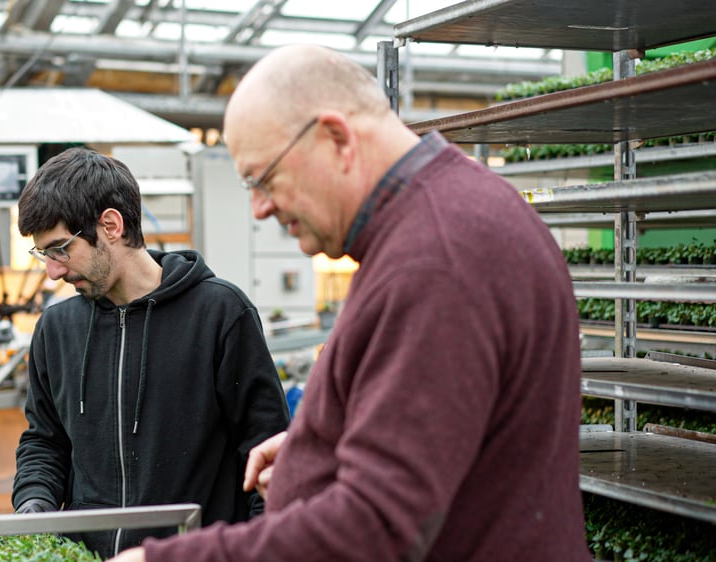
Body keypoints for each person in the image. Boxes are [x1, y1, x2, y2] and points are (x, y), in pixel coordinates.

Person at [110, 44, 590, 562]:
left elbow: (376, 529)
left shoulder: (435, 261)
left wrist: (161, 559)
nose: (260, 207)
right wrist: (325, 448)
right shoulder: (451, 214)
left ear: (336, 137)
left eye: (265, 178)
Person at [11, 146, 291, 558]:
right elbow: (44, 443)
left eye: (60, 249)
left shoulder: (219, 314)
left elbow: (264, 451)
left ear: (110, 225)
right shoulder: (56, 329)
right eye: (44, 255)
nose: (53, 270)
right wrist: (35, 504)